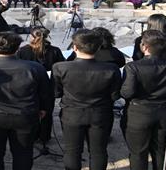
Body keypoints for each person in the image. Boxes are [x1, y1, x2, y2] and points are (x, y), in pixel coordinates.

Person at [0, 32, 52, 170]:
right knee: (23, 153)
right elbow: (45, 94)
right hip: (25, 116)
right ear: (18, 48)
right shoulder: (35, 68)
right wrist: (43, 110)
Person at [51, 29, 121, 170]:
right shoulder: (111, 68)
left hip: (72, 114)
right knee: (98, 152)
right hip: (101, 114)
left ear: (75, 47)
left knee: (72, 152)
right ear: (98, 47)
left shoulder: (60, 67)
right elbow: (115, 95)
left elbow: (56, 93)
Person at [121, 30, 166, 170]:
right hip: (165, 112)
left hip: (139, 113)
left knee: (138, 153)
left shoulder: (133, 67)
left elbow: (127, 93)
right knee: (161, 151)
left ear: (144, 47)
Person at [15, 27, 63, 152]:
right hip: (48, 87)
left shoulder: (23, 51)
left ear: (31, 36)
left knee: (30, 111)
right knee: (47, 112)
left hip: (29, 86)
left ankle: (33, 135)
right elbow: (61, 68)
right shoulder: (55, 51)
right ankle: (44, 136)